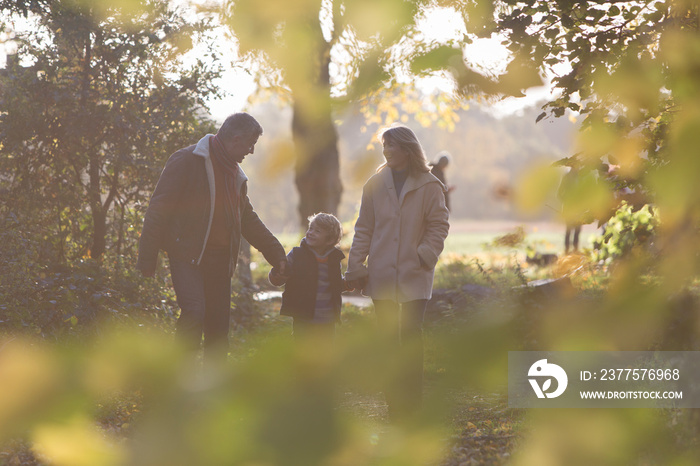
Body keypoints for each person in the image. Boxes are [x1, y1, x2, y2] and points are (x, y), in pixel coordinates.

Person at [137, 112, 287, 363]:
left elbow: (247, 219)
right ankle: (179, 379)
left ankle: (214, 387)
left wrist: (276, 254)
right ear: (236, 139)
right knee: (195, 311)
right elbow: (158, 209)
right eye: (250, 145)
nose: (250, 151)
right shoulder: (187, 160)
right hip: (187, 255)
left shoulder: (235, 174)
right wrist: (147, 259)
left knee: (218, 324)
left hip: (220, 260)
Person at [345, 125, 450, 421]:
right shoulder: (374, 184)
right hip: (381, 273)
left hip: (415, 271)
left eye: (392, 146)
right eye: (384, 147)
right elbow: (363, 228)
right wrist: (356, 266)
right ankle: (394, 405)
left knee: (412, 336)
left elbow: (439, 225)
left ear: (407, 149)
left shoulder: (430, 185)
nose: (387, 151)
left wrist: (425, 254)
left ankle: (412, 403)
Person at [269, 213, 345, 342]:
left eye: (317, 231)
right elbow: (281, 272)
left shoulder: (334, 258)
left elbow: (336, 283)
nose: (311, 232)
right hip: (303, 315)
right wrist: (277, 276)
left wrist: (349, 283)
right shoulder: (297, 255)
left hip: (327, 317)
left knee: (326, 350)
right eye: (310, 228)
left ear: (330, 240)